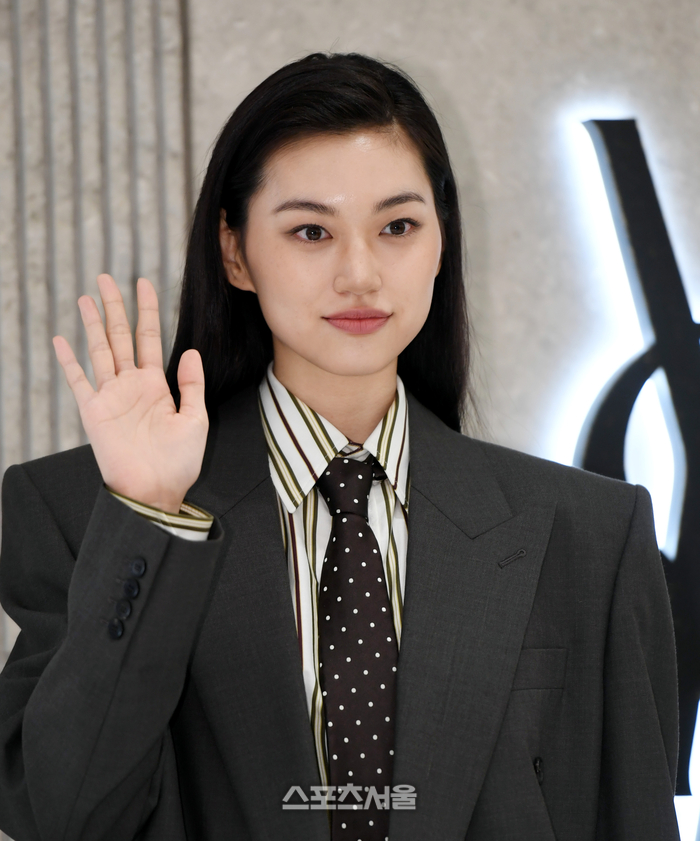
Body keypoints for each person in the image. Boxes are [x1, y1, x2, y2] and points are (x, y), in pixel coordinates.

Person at [0, 52, 679, 841]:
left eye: (397, 227)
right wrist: (149, 516)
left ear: (441, 241)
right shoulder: (85, 514)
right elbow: (61, 812)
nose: (360, 274)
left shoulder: (588, 534)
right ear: (235, 253)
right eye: (311, 231)